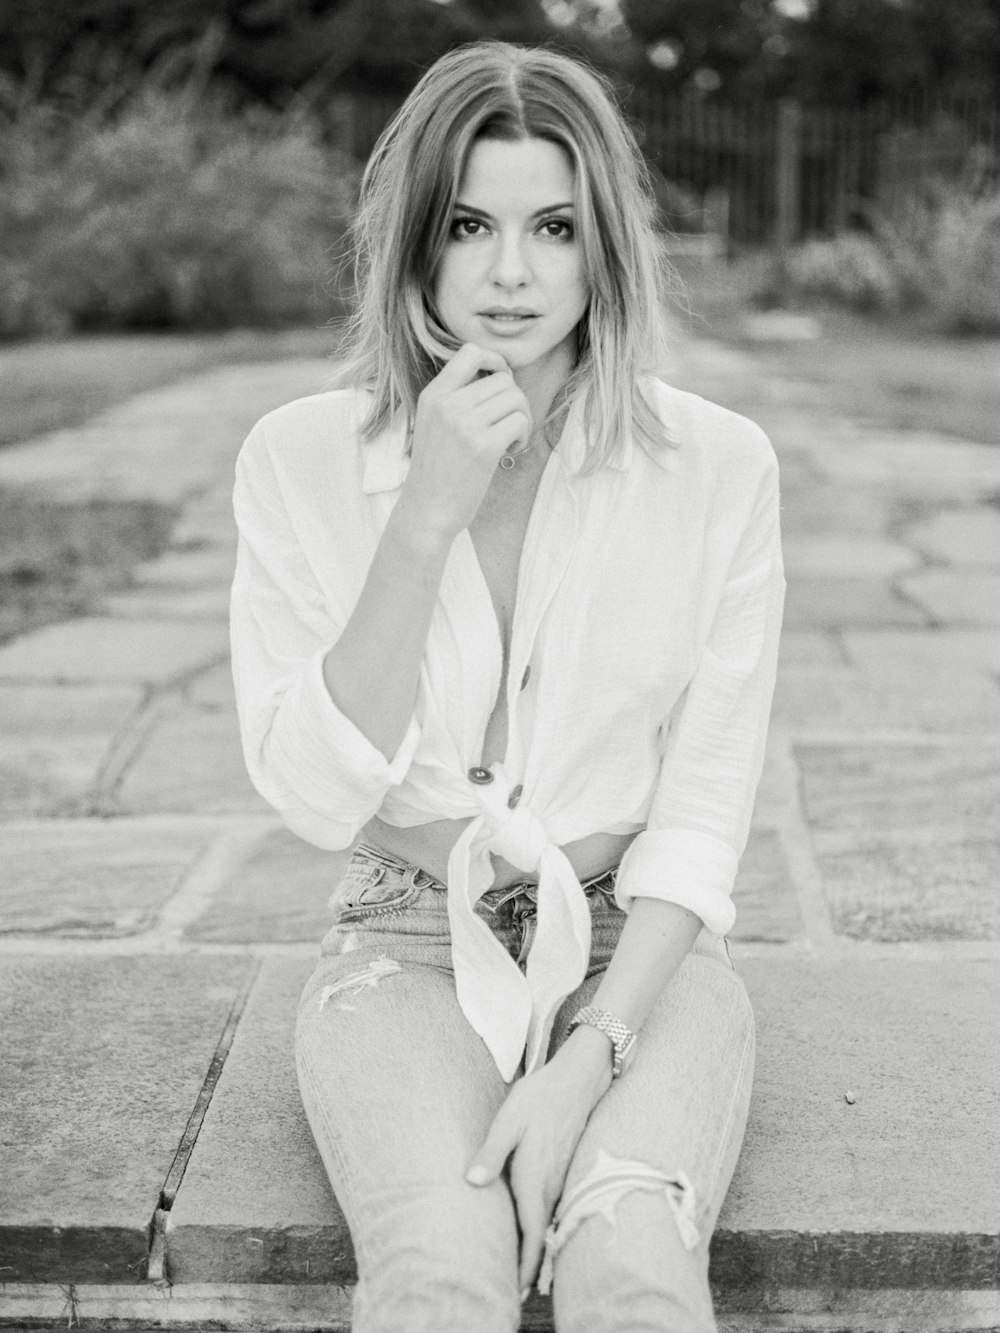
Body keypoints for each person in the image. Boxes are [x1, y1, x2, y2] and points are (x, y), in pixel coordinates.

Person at [229, 39, 785, 1333]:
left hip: (637, 956)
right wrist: (425, 511)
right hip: (404, 939)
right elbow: (315, 793)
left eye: (555, 226)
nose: (514, 272)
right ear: (417, 241)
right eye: (471, 224)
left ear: (605, 248)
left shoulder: (718, 467)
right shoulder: (300, 459)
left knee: (631, 1266)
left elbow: (700, 817)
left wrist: (588, 1059)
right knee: (439, 1273)